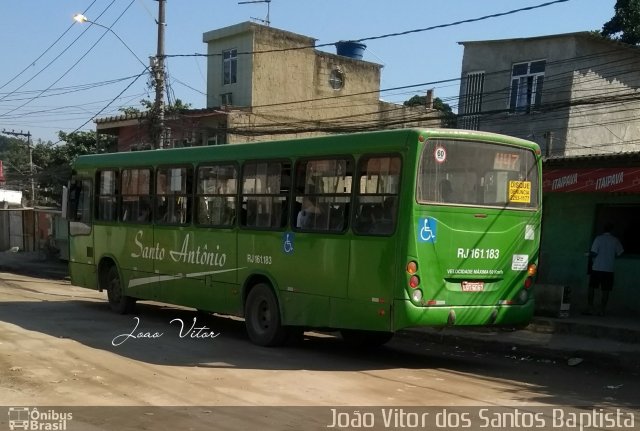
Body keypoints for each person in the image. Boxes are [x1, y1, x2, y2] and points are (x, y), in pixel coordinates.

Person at [585, 223, 624, 315]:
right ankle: (602, 310)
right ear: (612, 230)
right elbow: (620, 252)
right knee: (606, 290)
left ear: (603, 229)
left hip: (597, 268)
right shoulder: (615, 240)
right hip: (608, 269)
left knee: (592, 288)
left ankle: (590, 308)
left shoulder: (598, 239)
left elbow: (594, 253)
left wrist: (587, 254)